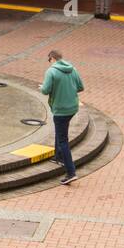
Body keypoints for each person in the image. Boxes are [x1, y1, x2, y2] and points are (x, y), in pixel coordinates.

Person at [40, 50, 84, 185]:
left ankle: (71, 172)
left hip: (60, 110)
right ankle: (58, 156)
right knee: (60, 132)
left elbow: (45, 90)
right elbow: (80, 87)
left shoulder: (51, 72)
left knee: (63, 140)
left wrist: (43, 87)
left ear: (52, 58)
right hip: (72, 108)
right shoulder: (72, 69)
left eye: (49, 60)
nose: (49, 63)